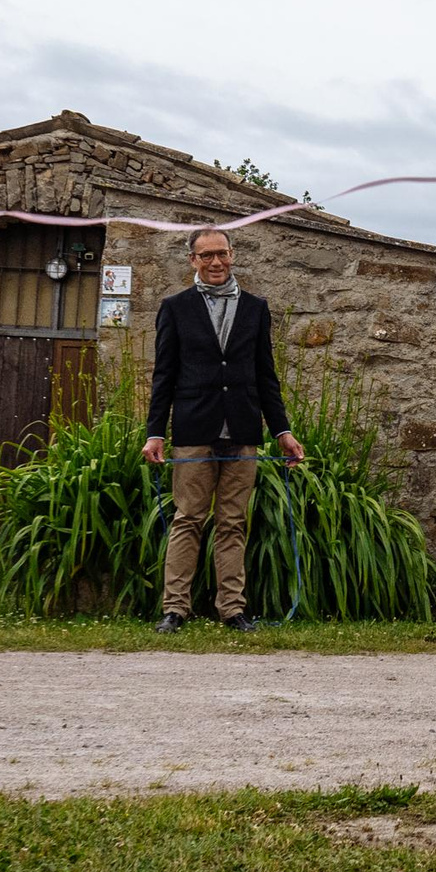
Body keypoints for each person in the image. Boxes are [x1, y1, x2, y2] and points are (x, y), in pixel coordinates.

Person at [143, 227, 301, 633]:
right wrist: (155, 432)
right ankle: (174, 609)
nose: (216, 262)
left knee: (233, 523)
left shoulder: (255, 307)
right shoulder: (175, 307)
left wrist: (282, 431)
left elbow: (266, 376)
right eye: (207, 255)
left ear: (232, 255)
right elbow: (164, 375)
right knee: (188, 519)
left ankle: (232, 610)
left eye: (223, 254)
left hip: (244, 431)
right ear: (192, 260)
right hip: (195, 430)